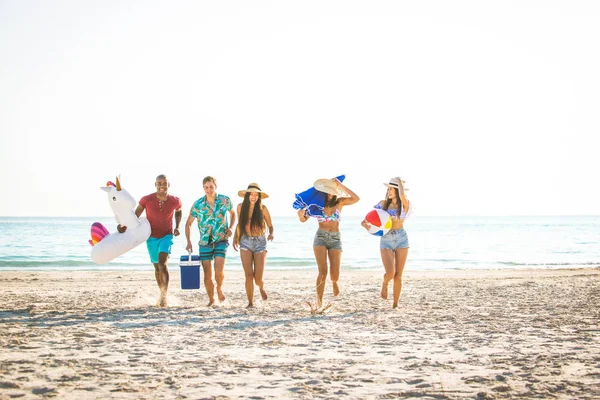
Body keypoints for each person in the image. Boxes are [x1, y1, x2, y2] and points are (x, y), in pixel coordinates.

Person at [118, 174, 182, 307]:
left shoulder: (175, 200)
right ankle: (161, 293)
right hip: (151, 237)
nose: (162, 186)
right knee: (157, 267)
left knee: (162, 263)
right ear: (155, 185)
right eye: (159, 183)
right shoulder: (146, 199)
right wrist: (124, 225)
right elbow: (135, 216)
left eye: (164, 183)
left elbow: (179, 211)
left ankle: (164, 297)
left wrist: (177, 227)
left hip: (166, 236)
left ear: (168, 185)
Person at [297, 177, 359, 308]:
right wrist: (300, 214)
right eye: (329, 191)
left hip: (336, 239)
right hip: (320, 237)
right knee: (323, 271)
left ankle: (334, 282)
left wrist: (341, 185)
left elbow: (356, 198)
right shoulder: (317, 205)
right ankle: (319, 301)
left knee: (334, 274)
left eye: (333, 191)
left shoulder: (340, 203)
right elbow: (303, 220)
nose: (331, 194)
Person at [361, 177, 412, 309]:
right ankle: (385, 283)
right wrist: (365, 224)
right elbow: (369, 219)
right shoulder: (383, 204)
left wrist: (400, 182)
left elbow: (402, 196)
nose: (388, 191)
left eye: (391, 188)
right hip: (386, 239)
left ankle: (395, 304)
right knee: (390, 273)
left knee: (398, 275)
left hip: (401, 238)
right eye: (388, 189)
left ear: (397, 190)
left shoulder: (405, 204)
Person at [185, 176, 236, 306]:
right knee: (207, 274)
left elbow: (233, 213)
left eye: (211, 187)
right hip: (204, 243)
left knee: (219, 271)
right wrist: (188, 241)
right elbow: (188, 223)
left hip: (221, 240)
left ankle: (219, 289)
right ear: (203, 188)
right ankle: (211, 300)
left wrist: (230, 227)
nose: (209, 190)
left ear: (215, 187)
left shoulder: (225, 200)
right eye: (206, 187)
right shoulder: (198, 204)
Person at [232, 183, 274, 308]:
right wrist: (235, 238)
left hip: (260, 243)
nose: (253, 196)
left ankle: (261, 287)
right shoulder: (240, 207)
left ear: (259, 196)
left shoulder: (263, 209)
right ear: (247, 195)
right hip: (245, 241)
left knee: (258, 278)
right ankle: (250, 302)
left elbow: (271, 226)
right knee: (248, 275)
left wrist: (271, 234)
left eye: (256, 194)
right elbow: (239, 224)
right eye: (251, 194)